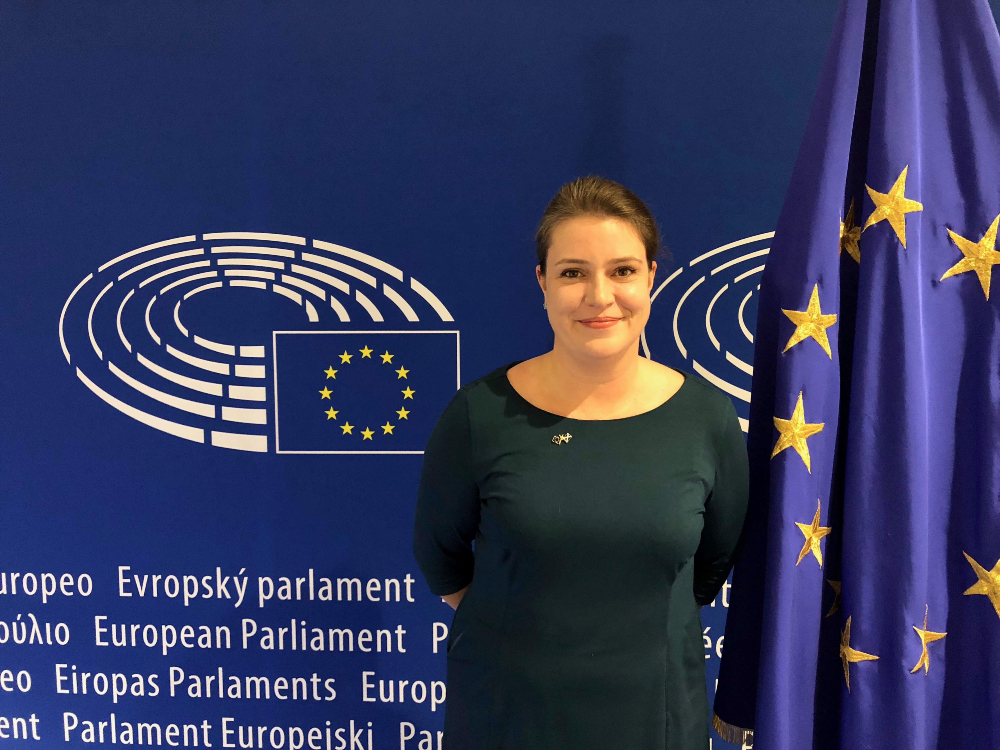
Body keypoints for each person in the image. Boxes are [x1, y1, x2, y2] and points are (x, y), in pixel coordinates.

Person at [413, 176, 749, 750]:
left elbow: (712, 566)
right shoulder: (479, 415)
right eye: (573, 273)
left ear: (650, 278)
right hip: (507, 721)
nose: (599, 296)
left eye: (622, 271)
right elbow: (441, 559)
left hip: (657, 721)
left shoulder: (707, 419)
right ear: (542, 282)